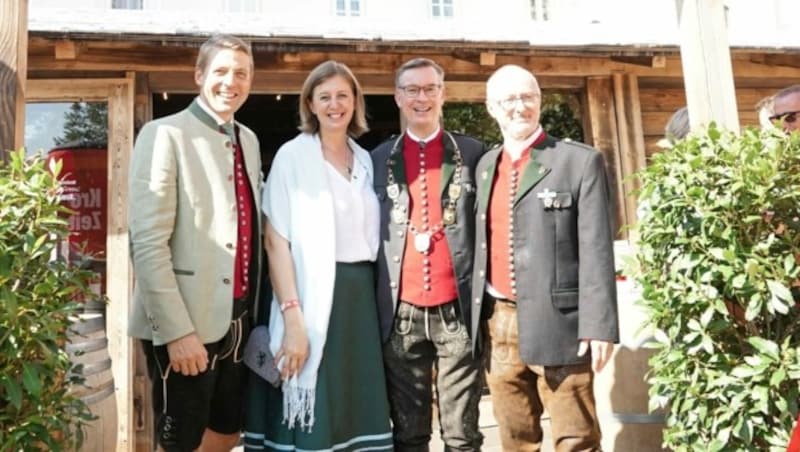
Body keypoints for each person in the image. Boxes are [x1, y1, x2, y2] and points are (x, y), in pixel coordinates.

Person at [242, 60, 393, 451]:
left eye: (343, 95)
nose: (334, 104)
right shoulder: (293, 157)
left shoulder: (366, 159)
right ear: (310, 104)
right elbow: (276, 241)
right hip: (309, 297)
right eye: (324, 96)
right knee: (315, 418)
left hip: (360, 303)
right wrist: (293, 317)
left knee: (354, 415)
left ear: (355, 101)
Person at [471, 64, 619, 451]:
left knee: (577, 438)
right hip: (499, 321)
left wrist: (600, 324)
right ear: (491, 108)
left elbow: (596, 247)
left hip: (563, 323)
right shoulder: (485, 166)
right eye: (509, 99)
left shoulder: (578, 161)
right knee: (515, 437)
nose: (519, 107)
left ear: (540, 100)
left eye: (528, 97)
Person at [128, 34, 261, 451]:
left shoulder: (250, 139)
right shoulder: (163, 133)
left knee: (226, 435)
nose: (231, 82)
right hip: (186, 324)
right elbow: (147, 243)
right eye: (220, 71)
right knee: (180, 443)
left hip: (238, 321)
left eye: (241, 73)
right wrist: (176, 332)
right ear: (200, 75)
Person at [372, 57, 485, 451]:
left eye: (430, 89)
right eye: (412, 90)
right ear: (398, 97)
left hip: (457, 311)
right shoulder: (375, 159)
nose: (422, 98)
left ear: (443, 94)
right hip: (400, 313)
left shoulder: (473, 153)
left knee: (463, 435)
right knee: (408, 436)